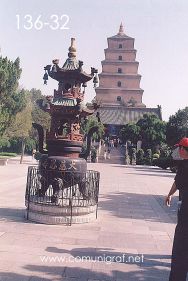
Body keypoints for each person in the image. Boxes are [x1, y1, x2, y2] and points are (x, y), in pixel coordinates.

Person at [165, 137, 188, 281]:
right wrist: (169, 194)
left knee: (180, 247)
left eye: (181, 148)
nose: (178, 150)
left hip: (186, 211)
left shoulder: (184, 166)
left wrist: (169, 194)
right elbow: (177, 182)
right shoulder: (183, 165)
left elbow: (178, 181)